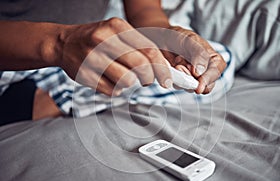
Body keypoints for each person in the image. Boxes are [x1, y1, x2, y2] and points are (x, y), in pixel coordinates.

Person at [0, 0, 226, 125]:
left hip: (89, 54)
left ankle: (45, 99)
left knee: (223, 60)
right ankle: (26, 101)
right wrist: (59, 44)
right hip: (14, 53)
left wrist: (165, 35)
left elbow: (144, 8)